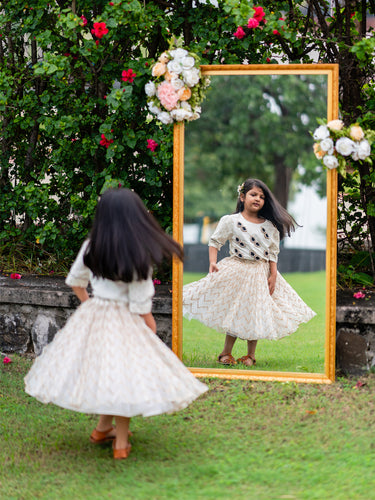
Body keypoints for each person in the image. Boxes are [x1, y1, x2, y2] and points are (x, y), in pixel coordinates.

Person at [25, 188, 208, 460]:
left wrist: (89, 304)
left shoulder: (92, 246)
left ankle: (102, 429)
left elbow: (76, 281)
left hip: (94, 317)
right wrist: (150, 330)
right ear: (136, 218)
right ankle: (120, 442)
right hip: (126, 320)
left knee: (109, 373)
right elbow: (140, 302)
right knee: (125, 377)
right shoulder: (137, 253)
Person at [183, 178, 316, 367]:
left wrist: (273, 275)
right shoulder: (231, 221)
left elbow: (272, 253)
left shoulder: (270, 226)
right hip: (236, 269)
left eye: (262, 197)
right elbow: (215, 242)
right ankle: (226, 353)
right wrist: (213, 262)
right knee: (236, 311)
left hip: (258, 273)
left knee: (255, 311)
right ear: (242, 196)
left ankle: (250, 356)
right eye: (254, 194)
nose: (258, 199)